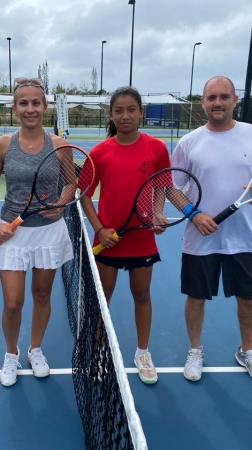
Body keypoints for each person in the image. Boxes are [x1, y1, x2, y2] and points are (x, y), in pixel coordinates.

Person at [170, 75, 252, 384]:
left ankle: (247, 351)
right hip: (200, 239)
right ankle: (195, 351)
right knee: (196, 297)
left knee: (248, 299)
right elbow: (172, 188)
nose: (218, 103)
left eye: (224, 97)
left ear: (234, 100)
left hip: (245, 238)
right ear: (202, 102)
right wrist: (193, 214)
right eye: (212, 97)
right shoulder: (189, 142)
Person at [0, 77, 73, 387]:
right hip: (12, 233)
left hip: (49, 232)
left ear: (45, 107)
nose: (30, 108)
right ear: (15, 108)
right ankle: (12, 353)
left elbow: (71, 183)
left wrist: (61, 203)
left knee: (42, 294)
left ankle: (35, 349)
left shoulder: (59, 145)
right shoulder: (2, 145)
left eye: (36, 103)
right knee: (12, 303)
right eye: (24, 103)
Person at [80, 86, 170, 385]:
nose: (125, 116)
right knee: (102, 300)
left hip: (141, 240)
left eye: (131, 109)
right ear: (111, 115)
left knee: (142, 295)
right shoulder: (99, 152)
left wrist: (157, 213)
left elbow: (161, 186)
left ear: (141, 112)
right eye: (118, 110)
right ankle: (98, 350)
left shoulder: (156, 148)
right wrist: (100, 229)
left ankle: (142, 353)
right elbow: (84, 195)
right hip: (107, 241)